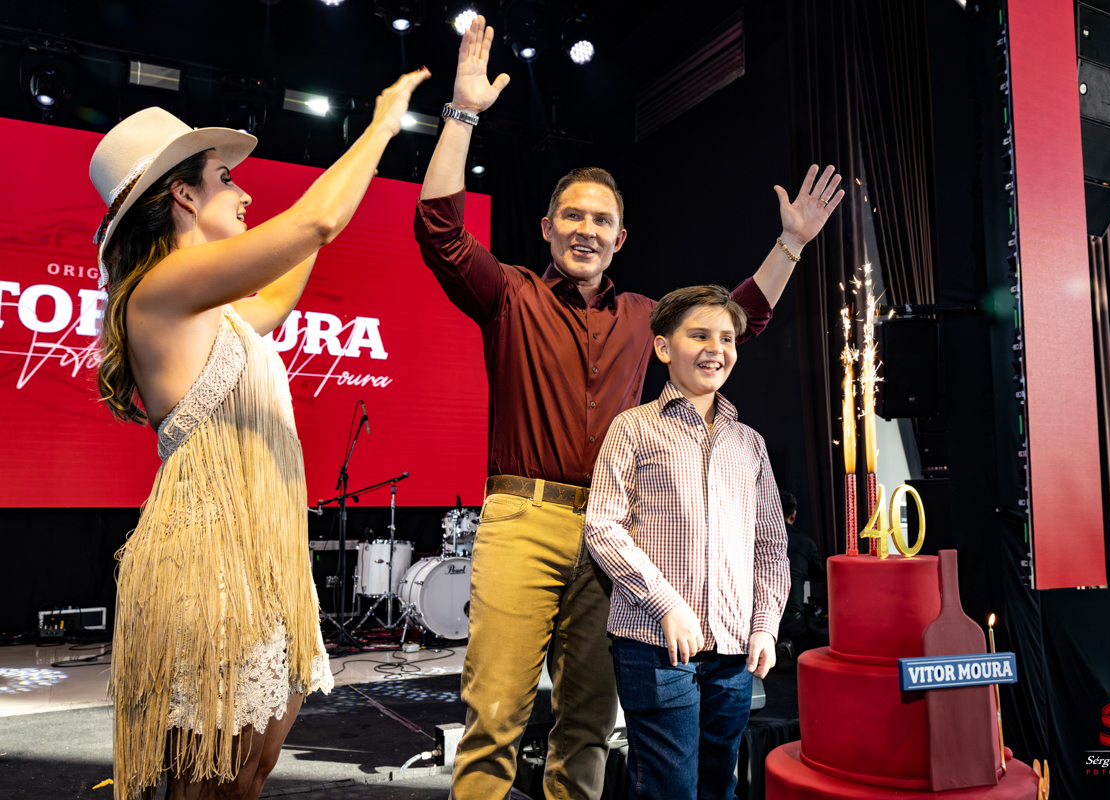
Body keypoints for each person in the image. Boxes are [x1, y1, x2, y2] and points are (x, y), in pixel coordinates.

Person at [413, 16, 843, 800]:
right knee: (495, 719)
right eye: (572, 216)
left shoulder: (646, 316)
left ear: (619, 238)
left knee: (587, 723)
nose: (586, 229)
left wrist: (790, 245)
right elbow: (440, 231)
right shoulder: (510, 294)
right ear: (547, 228)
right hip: (523, 521)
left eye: (601, 220)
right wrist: (463, 113)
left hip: (616, 535)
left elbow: (739, 316)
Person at [92, 68, 430, 800]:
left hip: (260, 563)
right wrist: (380, 125)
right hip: (206, 567)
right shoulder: (157, 291)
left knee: (249, 773)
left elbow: (283, 279)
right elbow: (313, 225)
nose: (245, 194)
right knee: (205, 783)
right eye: (225, 179)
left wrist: (322, 213)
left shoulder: (218, 313)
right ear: (182, 195)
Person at [584, 285, 790, 800]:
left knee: (720, 786)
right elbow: (603, 527)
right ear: (663, 347)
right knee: (668, 788)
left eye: (727, 338)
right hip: (654, 645)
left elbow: (771, 547)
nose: (715, 349)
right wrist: (667, 604)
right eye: (699, 335)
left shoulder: (750, 443)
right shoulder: (633, 429)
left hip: (734, 652)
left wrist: (765, 626)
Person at [775, 490, 828, 668]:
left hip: (757, 621)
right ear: (793, 514)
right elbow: (820, 577)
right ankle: (788, 647)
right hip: (793, 622)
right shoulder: (805, 542)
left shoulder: (753, 539)